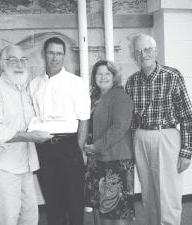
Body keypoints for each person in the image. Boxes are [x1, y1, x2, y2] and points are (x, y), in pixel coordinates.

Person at [0, 45, 53, 225]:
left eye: (23, 60)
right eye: (13, 60)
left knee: (30, 217)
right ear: (2, 64)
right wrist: (30, 137)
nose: (19, 64)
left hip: (25, 165)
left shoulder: (24, 90)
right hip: (3, 168)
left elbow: (29, 123)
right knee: (8, 220)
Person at [125, 34, 192, 225]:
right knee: (149, 194)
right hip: (140, 138)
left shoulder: (172, 76)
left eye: (146, 49)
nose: (142, 54)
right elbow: (130, 121)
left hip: (166, 136)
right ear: (133, 56)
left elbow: (187, 116)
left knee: (168, 195)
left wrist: (186, 151)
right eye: (138, 51)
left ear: (155, 51)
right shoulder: (131, 82)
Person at [29, 37, 91, 225]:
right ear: (43, 54)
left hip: (69, 147)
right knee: (53, 205)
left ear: (64, 56)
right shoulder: (34, 85)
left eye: (59, 53)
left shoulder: (76, 82)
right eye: (51, 53)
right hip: (44, 149)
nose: (55, 58)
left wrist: (77, 149)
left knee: (74, 204)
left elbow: (84, 119)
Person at [84, 60, 135, 225]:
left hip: (115, 159)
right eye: (99, 73)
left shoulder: (121, 97)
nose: (103, 77)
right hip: (96, 159)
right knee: (101, 206)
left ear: (114, 77)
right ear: (94, 77)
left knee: (117, 210)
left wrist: (96, 146)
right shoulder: (93, 98)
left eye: (107, 74)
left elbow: (119, 128)